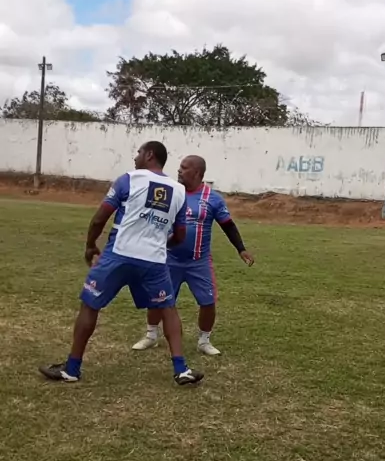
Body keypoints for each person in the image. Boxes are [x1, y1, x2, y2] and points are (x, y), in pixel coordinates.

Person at [39, 141, 203, 386]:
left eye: (139, 152)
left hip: (118, 255)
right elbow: (180, 236)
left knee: (90, 305)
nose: (135, 157)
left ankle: (72, 369)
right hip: (154, 262)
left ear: (149, 155)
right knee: (168, 308)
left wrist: (90, 245)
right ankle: (181, 369)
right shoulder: (178, 190)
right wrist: (158, 243)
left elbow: (99, 219)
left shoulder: (129, 179)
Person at [132, 154, 254, 356]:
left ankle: (204, 341)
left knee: (208, 302)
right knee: (158, 297)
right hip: (169, 259)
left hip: (199, 262)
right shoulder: (170, 192)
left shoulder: (212, 198)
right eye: (180, 167)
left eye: (184, 167)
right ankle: (151, 336)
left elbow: (228, 225)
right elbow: (152, 218)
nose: (179, 170)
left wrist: (241, 249)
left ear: (197, 172)